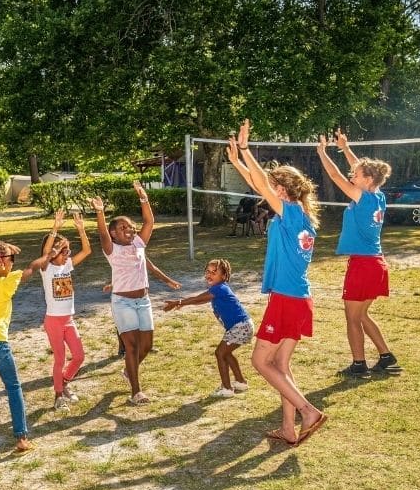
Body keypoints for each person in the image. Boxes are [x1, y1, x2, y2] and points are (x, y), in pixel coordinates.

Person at [227, 119, 327, 446]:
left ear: (281, 190)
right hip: (298, 298)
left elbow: (261, 184)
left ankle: (307, 411)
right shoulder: (298, 213)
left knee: (260, 362)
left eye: (272, 187)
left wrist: (245, 151)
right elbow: (258, 184)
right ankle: (288, 427)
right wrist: (237, 162)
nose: (265, 191)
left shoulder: (291, 212)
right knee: (280, 365)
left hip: (287, 298)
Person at [317, 130, 401, 377]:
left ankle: (359, 365)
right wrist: (344, 148)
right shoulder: (378, 196)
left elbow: (334, 175)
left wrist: (322, 152)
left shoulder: (362, 196)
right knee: (361, 314)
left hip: (364, 265)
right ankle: (386, 357)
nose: (351, 175)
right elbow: (361, 168)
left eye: (355, 175)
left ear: (367, 180)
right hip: (376, 263)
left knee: (352, 318)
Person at [0, 238, 57, 457]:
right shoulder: (7, 283)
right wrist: (51, 255)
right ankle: (22, 438)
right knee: (14, 388)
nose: (13, 263)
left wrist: (4, 249)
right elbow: (33, 267)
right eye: (11, 259)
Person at [91, 181, 156, 405]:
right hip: (123, 302)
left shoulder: (138, 243)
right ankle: (136, 392)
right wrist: (100, 212)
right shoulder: (112, 249)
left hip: (144, 300)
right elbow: (101, 233)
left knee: (146, 346)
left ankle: (130, 371)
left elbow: (149, 221)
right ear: (113, 234)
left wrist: (143, 198)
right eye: (123, 228)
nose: (129, 230)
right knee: (132, 346)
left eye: (130, 226)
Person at [163, 258, 253, 398]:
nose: (209, 275)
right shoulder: (217, 290)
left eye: (214, 272)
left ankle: (227, 388)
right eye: (208, 271)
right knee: (226, 353)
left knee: (220, 353)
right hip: (242, 326)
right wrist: (184, 304)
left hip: (240, 327)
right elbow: (202, 299)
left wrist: (178, 302)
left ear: (223, 276)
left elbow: (199, 298)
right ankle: (240, 382)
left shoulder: (220, 288)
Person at [39, 210, 93, 412]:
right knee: (60, 359)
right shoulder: (46, 268)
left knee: (79, 356)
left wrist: (81, 230)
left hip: (68, 320)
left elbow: (87, 251)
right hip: (53, 321)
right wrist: (56, 227)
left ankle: (64, 382)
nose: (67, 254)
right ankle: (58, 395)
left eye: (68, 250)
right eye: (63, 251)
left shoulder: (67, 266)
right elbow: (45, 253)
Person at [104, 256, 181, 357]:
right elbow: (121, 275)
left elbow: (153, 267)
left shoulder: (139, 252)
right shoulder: (120, 253)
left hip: (142, 297)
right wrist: (112, 285)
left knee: (145, 322)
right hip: (124, 297)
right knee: (125, 323)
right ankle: (123, 349)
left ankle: (146, 346)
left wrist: (169, 281)